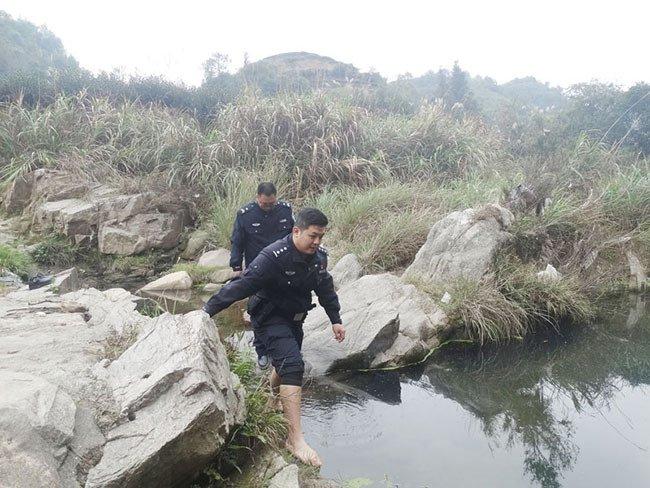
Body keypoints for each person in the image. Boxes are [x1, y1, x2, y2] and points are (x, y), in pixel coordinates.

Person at [203, 207, 345, 467]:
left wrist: (336, 320)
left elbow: (325, 290)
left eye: (321, 237)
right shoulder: (273, 257)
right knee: (293, 365)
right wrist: (206, 312)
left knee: (284, 366)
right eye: (312, 236)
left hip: (294, 319)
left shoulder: (318, 258)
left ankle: (271, 398)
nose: (316, 242)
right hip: (268, 318)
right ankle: (295, 440)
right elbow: (240, 287)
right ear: (296, 231)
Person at [229, 182, 294, 369]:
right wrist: (236, 267)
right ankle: (262, 351)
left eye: (272, 203)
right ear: (258, 197)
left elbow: (295, 236)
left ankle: (283, 348)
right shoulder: (245, 214)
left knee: (285, 309)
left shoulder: (285, 211)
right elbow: (237, 242)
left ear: (276, 198)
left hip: (284, 270)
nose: (269, 207)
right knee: (258, 311)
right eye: (265, 204)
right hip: (257, 271)